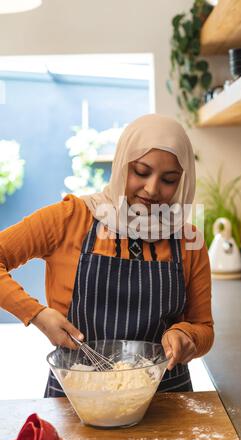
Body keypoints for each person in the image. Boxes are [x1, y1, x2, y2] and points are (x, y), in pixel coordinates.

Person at [0, 114, 214, 396]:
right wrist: (36, 314)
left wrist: (186, 336)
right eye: (141, 171)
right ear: (123, 165)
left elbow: (204, 327)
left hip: (165, 401)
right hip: (77, 396)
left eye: (169, 179)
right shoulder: (71, 219)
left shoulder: (188, 241)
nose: (152, 189)